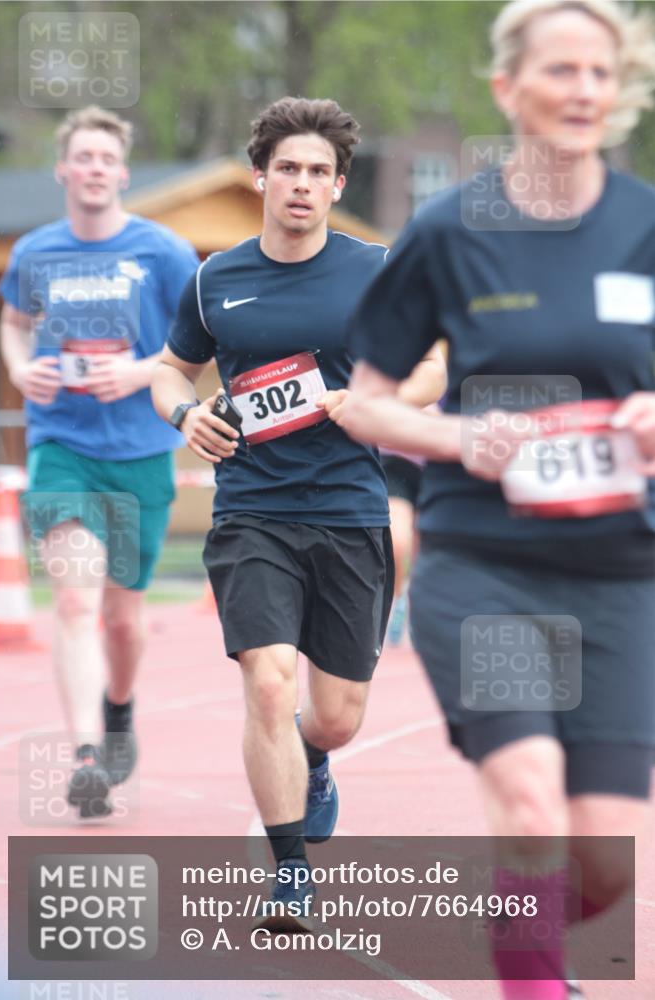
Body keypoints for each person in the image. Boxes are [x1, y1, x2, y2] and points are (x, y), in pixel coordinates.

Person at [343, 1, 655, 997]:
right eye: (560, 69)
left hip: (621, 574)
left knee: (603, 859)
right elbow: (363, 403)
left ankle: (521, 930)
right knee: (528, 810)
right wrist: (458, 437)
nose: (583, 90)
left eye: (599, 72)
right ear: (506, 87)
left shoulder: (645, 222)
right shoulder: (448, 229)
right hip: (486, 566)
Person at [151, 96, 394, 927]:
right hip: (252, 510)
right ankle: (289, 869)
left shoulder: (375, 269)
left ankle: (313, 757)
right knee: (266, 682)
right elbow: (169, 369)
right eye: (287, 168)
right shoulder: (214, 279)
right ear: (260, 177)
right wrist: (186, 414)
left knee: (336, 717)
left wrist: (370, 401)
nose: (301, 183)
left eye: (318, 171)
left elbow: (431, 363)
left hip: (350, 510)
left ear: (337, 186)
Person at [0, 106, 199, 818]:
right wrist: (20, 370)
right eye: (82, 157)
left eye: (106, 159)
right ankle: (86, 757)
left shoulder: (163, 251)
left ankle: (119, 707)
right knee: (76, 600)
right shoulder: (36, 252)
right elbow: (14, 324)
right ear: (63, 169)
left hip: (141, 451)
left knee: (122, 620)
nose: (94, 169)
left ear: (122, 172)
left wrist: (141, 372)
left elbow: (196, 340)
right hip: (62, 445)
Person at [381, 342, 447, 645]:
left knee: (427, 550)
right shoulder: (397, 345)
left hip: (438, 467)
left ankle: (415, 604)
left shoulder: (464, 357)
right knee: (398, 541)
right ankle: (395, 600)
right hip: (397, 462)